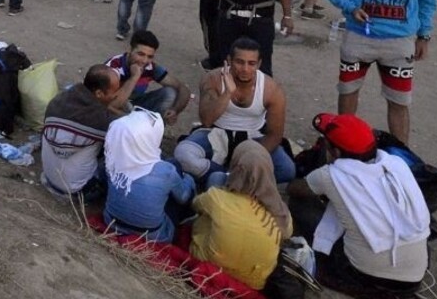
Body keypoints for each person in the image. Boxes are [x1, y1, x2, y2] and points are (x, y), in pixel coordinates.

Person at [321, 0, 437, 144]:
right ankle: (343, 145)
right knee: (347, 92)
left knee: (400, 101)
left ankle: (402, 155)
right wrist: (350, 7)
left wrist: (424, 34)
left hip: (399, 41)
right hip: (359, 37)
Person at [288, 113, 430, 298]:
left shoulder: (330, 175)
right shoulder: (395, 163)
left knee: (300, 205)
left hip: (364, 278)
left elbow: (294, 189)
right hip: (414, 277)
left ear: (336, 152)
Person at [178, 36, 295, 185]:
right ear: (229, 60)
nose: (245, 69)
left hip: (253, 138)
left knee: (287, 170)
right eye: (239, 62)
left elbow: (274, 135)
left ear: (259, 64)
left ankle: (222, 176)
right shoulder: (212, 79)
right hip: (216, 134)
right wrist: (227, 93)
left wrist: (251, 158)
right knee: (183, 154)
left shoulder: (271, 89)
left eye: (251, 63)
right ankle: (229, 178)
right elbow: (206, 120)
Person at [189, 141, 291, 291]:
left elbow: (195, 205)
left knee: (207, 216)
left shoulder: (217, 197)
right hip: (254, 281)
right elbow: (286, 234)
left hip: (209, 262)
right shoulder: (282, 212)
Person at [102, 108, 196, 244]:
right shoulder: (165, 171)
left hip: (111, 223)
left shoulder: (112, 157)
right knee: (178, 184)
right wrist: (189, 179)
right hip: (153, 235)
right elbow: (184, 197)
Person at [40, 65, 122, 201]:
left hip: (48, 176)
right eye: (114, 91)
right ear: (99, 94)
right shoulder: (101, 120)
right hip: (76, 190)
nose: (117, 95)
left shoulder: (58, 100)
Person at [104, 30, 191, 123]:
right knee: (124, 105)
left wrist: (175, 110)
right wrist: (134, 77)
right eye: (140, 54)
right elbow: (110, 107)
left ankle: (152, 129)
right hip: (112, 110)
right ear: (130, 50)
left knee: (170, 93)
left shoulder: (150, 67)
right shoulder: (113, 66)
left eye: (150, 56)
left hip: (134, 106)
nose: (144, 61)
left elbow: (182, 88)